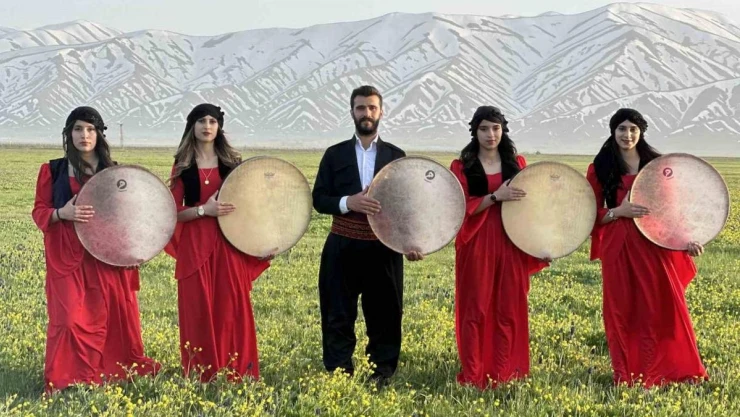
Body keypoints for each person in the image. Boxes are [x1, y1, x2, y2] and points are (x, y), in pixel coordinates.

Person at [32, 106, 159, 392]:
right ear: (69, 134)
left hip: (106, 256)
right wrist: (61, 214)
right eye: (78, 129)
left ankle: (107, 371)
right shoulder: (52, 170)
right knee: (68, 318)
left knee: (110, 313)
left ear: (99, 134)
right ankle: (67, 376)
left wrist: (134, 246)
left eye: (90, 129)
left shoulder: (115, 172)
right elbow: (39, 211)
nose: (84, 135)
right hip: (67, 255)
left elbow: (130, 216)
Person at [587, 108, 707, 387]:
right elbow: (592, 215)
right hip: (618, 246)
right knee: (622, 310)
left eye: (633, 129)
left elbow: (670, 211)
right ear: (613, 131)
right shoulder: (600, 167)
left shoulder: (656, 165)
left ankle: (675, 370)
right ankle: (628, 374)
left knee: (661, 306)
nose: (627, 135)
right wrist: (619, 212)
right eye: (622, 128)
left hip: (653, 244)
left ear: (641, 132)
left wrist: (685, 241)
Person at [312, 85, 423, 386]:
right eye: (361, 107)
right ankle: (339, 372)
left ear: (381, 112)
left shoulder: (396, 156)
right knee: (337, 312)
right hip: (342, 244)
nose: (367, 113)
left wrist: (410, 241)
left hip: (383, 247)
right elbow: (319, 199)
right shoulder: (334, 154)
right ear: (352, 112)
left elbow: (406, 205)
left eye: (372, 107)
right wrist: (349, 202)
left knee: (385, 313)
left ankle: (382, 373)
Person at [167, 103, 271, 382]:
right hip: (195, 247)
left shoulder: (232, 164)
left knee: (231, 308)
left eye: (212, 121)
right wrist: (204, 210)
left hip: (228, 244)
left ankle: (237, 370)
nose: (207, 126)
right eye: (201, 121)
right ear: (192, 126)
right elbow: (172, 213)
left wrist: (261, 239)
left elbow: (249, 208)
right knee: (197, 309)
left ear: (219, 127)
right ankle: (202, 372)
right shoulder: (182, 166)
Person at [449, 106, 548, 389]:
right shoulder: (462, 167)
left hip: (511, 240)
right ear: (475, 131)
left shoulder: (516, 163)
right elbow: (460, 207)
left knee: (509, 307)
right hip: (477, 241)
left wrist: (540, 241)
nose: (490, 134)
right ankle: (474, 373)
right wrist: (495, 196)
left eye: (495, 128)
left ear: (503, 130)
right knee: (475, 307)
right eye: (484, 129)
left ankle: (505, 371)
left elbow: (530, 206)